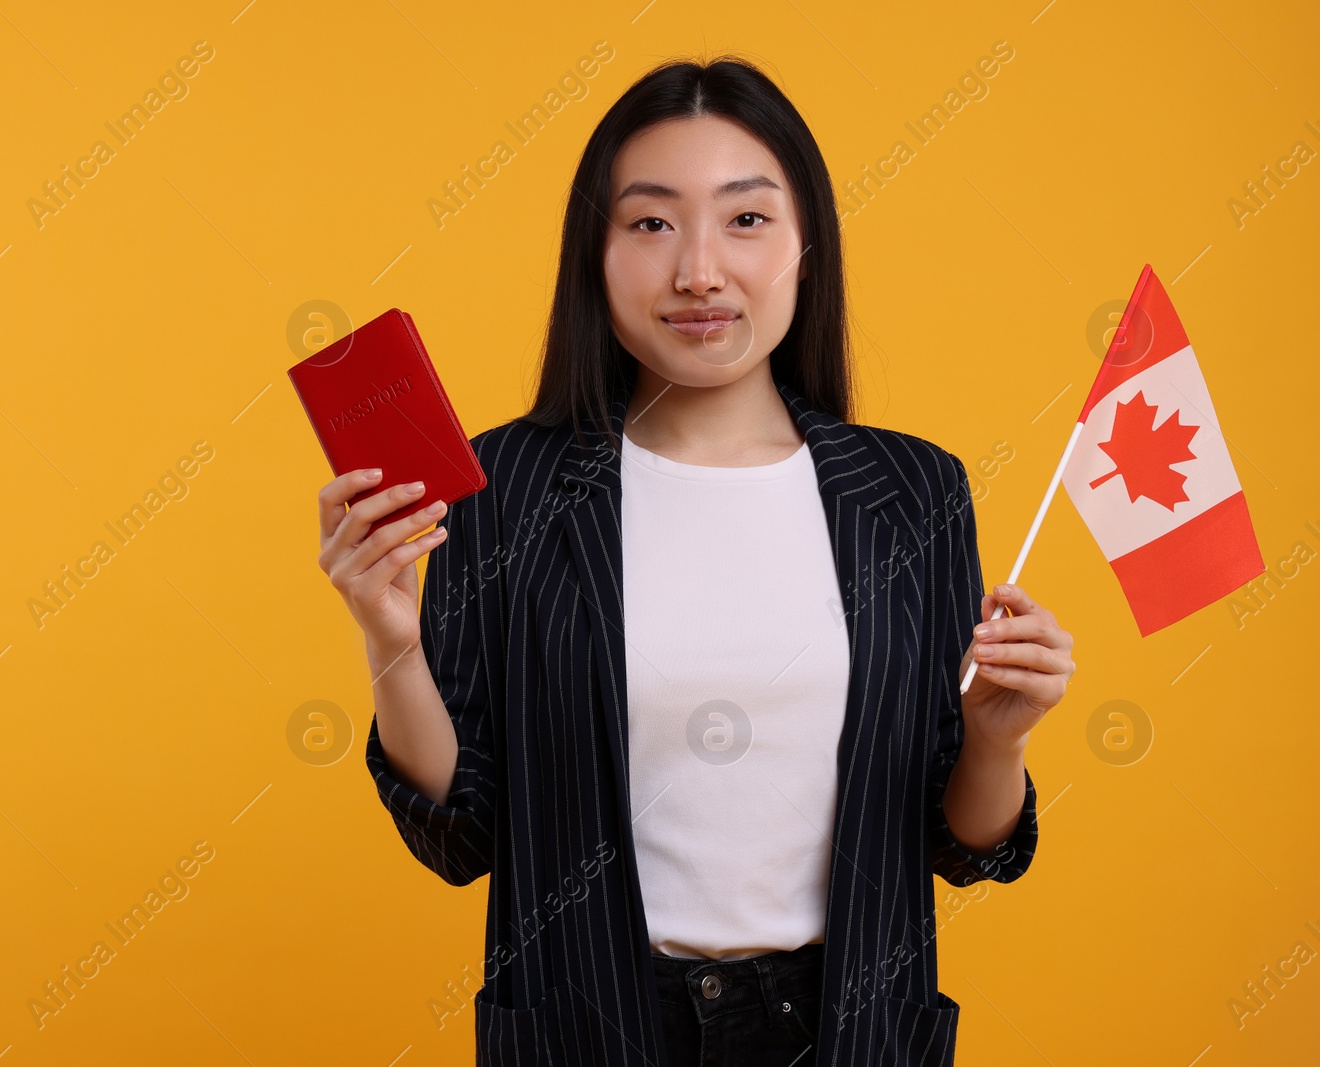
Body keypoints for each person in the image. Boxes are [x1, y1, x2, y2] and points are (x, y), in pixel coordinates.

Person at [316, 54, 1075, 1067]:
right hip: (592, 1027)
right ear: (596, 252)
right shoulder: (504, 484)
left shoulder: (911, 492)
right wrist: (390, 641)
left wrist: (996, 739)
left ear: (808, 246)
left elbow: (959, 846)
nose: (699, 271)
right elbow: (463, 837)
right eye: (651, 222)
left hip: (848, 1033)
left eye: (746, 219)